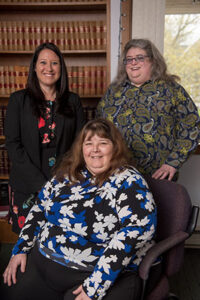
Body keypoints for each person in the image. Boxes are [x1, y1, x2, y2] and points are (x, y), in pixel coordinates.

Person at [1, 118, 157, 300]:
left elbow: (137, 230)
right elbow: (39, 208)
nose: (95, 149)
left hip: (90, 275)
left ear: (115, 148)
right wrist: (21, 249)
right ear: (81, 149)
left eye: (103, 143)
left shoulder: (129, 181)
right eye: (88, 143)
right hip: (42, 261)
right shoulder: (68, 175)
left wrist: (95, 286)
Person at [5, 42, 85, 234]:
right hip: (26, 184)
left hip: (63, 183)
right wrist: (40, 184)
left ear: (61, 68)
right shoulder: (18, 100)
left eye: (54, 63)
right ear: (34, 67)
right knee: (28, 243)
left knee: (59, 240)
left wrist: (60, 181)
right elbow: (13, 144)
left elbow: (80, 143)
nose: (48, 68)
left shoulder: (73, 101)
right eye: (43, 62)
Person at [96, 38, 200, 181]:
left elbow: (192, 127)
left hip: (159, 176)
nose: (133, 63)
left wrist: (173, 163)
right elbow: (98, 129)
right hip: (117, 176)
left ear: (153, 61)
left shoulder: (171, 89)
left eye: (140, 58)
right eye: (129, 59)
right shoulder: (113, 92)